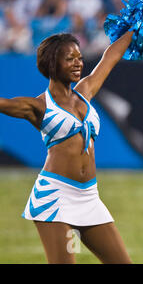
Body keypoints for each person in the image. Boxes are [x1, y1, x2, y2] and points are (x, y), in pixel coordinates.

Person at [0, 31, 134, 263]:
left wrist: (134, 29)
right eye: (70, 58)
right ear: (53, 64)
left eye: (80, 57)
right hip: (54, 197)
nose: (78, 63)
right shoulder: (38, 106)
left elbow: (110, 57)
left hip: (89, 196)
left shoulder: (85, 92)